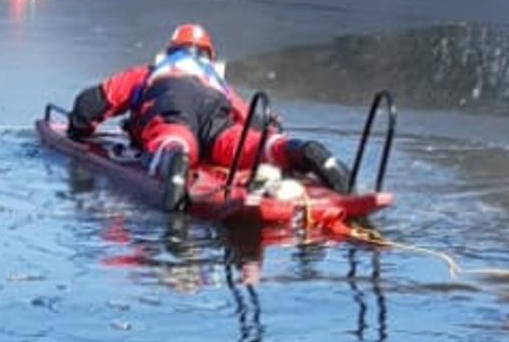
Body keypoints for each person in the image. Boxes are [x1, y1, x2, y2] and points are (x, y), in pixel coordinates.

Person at [67, 23, 351, 211]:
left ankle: (176, 161)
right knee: (246, 143)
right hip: (216, 110)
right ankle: (299, 151)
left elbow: (90, 104)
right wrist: (273, 133)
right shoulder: (216, 79)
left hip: (171, 104)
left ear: (169, 51)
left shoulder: (149, 73)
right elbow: (255, 120)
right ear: (209, 56)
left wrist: (79, 131)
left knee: (172, 138)